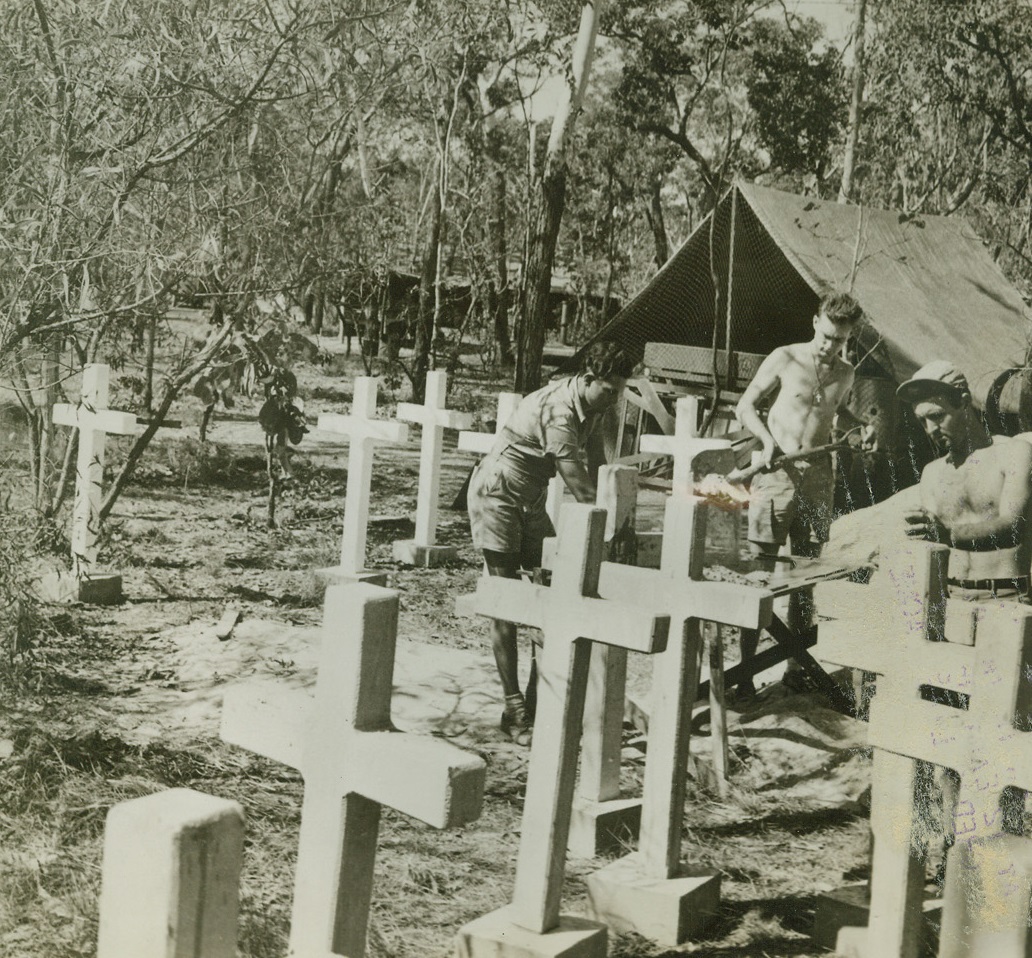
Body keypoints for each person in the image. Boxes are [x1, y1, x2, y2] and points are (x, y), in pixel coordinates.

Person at [467, 342, 636, 745]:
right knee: (505, 600)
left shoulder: (591, 406)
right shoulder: (559, 409)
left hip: (529, 497)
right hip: (499, 493)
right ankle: (516, 710)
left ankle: (542, 701)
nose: (614, 398)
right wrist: (610, 528)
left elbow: (595, 464)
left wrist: (620, 500)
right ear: (589, 379)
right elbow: (577, 481)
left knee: (553, 589)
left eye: (619, 391)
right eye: (609, 390)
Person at [733, 291, 866, 698]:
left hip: (818, 477)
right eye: (826, 336)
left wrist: (859, 427)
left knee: (806, 578)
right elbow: (746, 406)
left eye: (839, 341)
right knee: (761, 577)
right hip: (776, 473)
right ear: (815, 323)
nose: (830, 347)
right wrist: (766, 441)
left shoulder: (846, 373)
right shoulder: (785, 357)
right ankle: (743, 676)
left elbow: (832, 412)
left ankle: (795, 667)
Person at [897, 360, 1032, 603]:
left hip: (1004, 597)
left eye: (937, 416)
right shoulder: (932, 473)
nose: (930, 430)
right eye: (922, 421)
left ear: (964, 401)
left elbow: (1014, 528)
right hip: (949, 597)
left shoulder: (1014, 453)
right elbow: (933, 550)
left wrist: (948, 534)